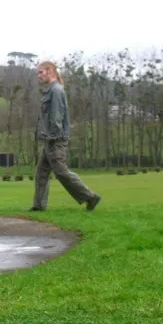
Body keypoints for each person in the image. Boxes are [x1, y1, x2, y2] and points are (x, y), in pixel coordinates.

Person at [30, 61, 101, 212]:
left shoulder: (56, 91)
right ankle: (38, 205)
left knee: (61, 172)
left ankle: (90, 197)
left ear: (50, 71)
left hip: (55, 140)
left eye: (41, 72)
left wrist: (52, 138)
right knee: (41, 172)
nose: (39, 76)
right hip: (50, 139)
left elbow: (56, 117)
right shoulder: (51, 90)